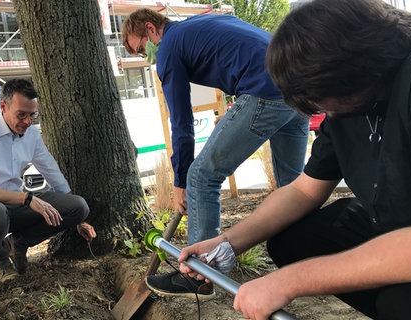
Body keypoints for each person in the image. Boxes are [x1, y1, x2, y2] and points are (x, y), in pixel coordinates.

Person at [178, 0, 411, 319]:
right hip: (400, 229)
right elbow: (304, 191)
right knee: (294, 240)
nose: (318, 107)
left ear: (352, 67)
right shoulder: (350, 103)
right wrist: (227, 243)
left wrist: (289, 282)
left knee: (404, 304)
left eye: (318, 96)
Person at [121, 9, 309, 298]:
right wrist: (238, 110)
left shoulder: (169, 46)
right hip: (298, 87)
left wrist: (181, 181)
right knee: (294, 189)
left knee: (201, 176)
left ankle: (199, 275)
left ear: (150, 29)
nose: (149, 58)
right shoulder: (203, 24)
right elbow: (245, 50)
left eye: (143, 49)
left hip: (265, 89)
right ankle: (306, 261)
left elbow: (182, 124)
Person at [0, 78, 96, 282]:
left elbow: (53, 173)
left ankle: (17, 244)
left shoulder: (31, 134)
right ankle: (0, 262)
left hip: (15, 208)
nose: (28, 121)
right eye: (21, 114)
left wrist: (79, 220)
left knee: (78, 206)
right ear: (3, 106)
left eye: (32, 115)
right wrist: (27, 199)